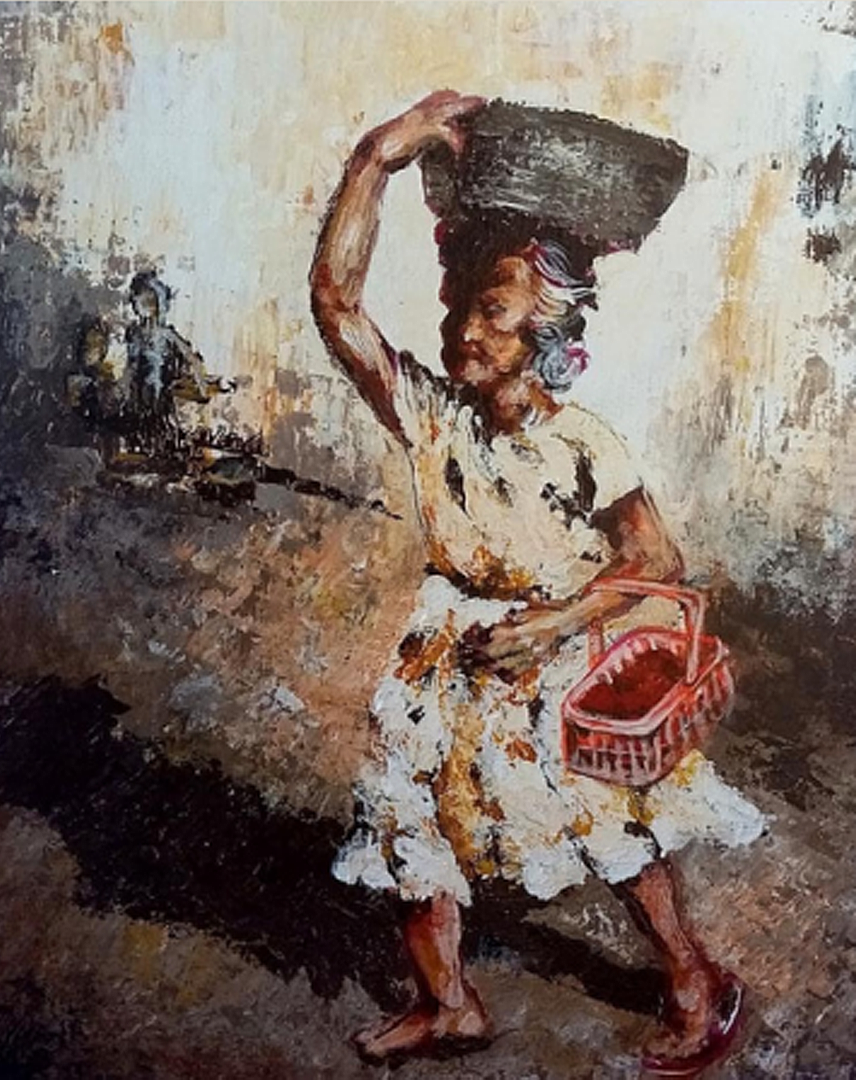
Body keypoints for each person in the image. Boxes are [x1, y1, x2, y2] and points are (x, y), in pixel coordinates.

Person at [310, 91, 764, 1074]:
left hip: (555, 652)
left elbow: (655, 562)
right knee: (406, 814)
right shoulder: (431, 415)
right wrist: (378, 157)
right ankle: (448, 1003)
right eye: (458, 306)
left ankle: (694, 982)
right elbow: (337, 305)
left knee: (608, 822)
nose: (462, 330)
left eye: (492, 310)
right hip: (443, 653)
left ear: (544, 333)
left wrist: (552, 622)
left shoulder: (580, 443)